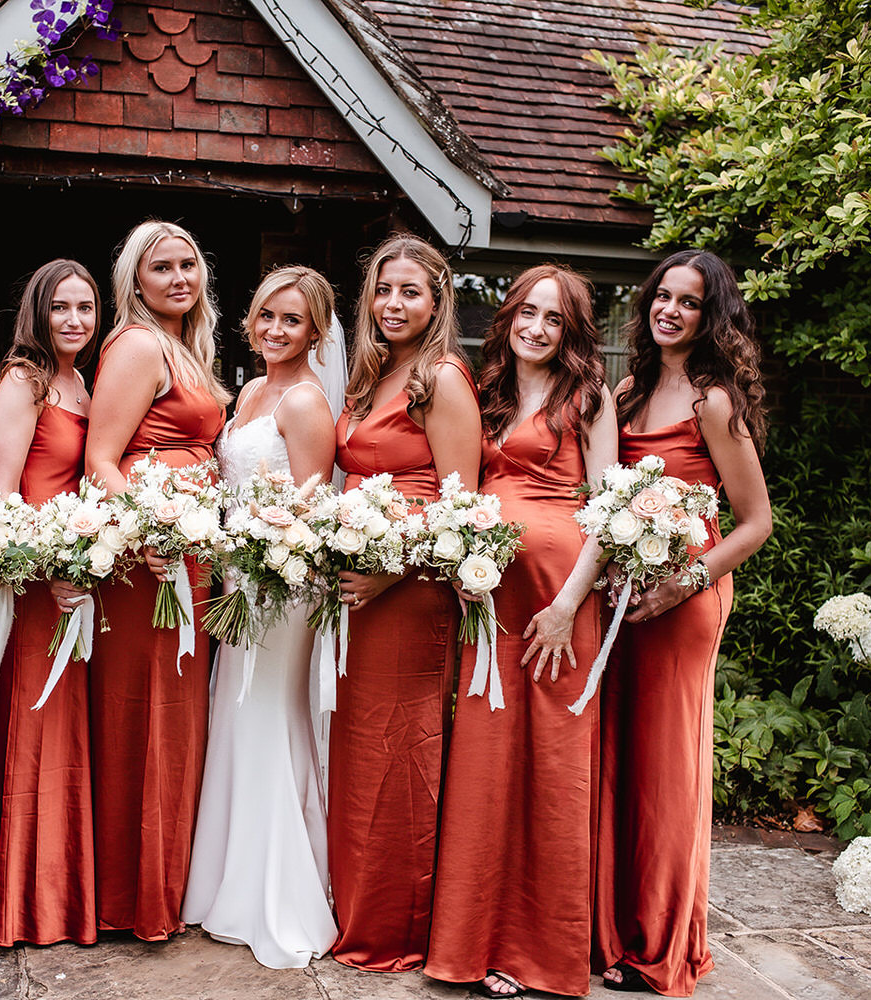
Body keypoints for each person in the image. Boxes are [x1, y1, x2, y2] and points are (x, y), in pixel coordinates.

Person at [425, 265, 617, 998]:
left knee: (552, 766)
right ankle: (473, 941)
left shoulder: (589, 398)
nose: (536, 328)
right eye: (526, 313)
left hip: (557, 604)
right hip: (492, 597)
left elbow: (606, 508)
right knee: (487, 757)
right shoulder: (490, 392)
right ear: (507, 318)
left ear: (572, 332)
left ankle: (539, 952)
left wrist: (570, 603)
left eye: (553, 319)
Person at [594, 250, 772, 996]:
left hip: (687, 593)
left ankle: (661, 947)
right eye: (661, 297)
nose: (669, 310)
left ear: (712, 316)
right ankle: (611, 925)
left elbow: (757, 521)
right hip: (625, 591)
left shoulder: (715, 401)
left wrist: (684, 584)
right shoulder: (628, 390)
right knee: (616, 756)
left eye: (689, 302)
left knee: (665, 767)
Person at [328, 233, 482, 972]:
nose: (393, 304)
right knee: (361, 752)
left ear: (437, 301)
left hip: (410, 593)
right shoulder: (373, 376)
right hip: (361, 592)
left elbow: (462, 506)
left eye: (410, 292)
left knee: (402, 752)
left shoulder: (443, 379)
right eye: (384, 290)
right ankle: (354, 905)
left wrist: (389, 573)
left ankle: (395, 925)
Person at [182, 265, 340, 968]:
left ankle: (278, 895)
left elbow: (310, 509)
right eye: (268, 315)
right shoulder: (249, 390)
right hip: (239, 576)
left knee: (270, 714)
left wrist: (262, 560)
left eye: (293, 321)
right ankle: (229, 882)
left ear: (315, 332)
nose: (277, 330)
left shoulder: (306, 403)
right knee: (235, 715)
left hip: (284, 583)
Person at [83, 221, 229, 940]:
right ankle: (128, 894)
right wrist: (147, 534)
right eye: (162, 268)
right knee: (145, 716)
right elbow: (102, 458)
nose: (179, 278)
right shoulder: (139, 345)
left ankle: (161, 885)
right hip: (153, 563)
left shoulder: (186, 348)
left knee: (177, 716)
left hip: (191, 557)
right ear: (135, 283)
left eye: (189, 264)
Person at [0, 259, 99, 947]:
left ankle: (63, 901)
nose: (75, 320)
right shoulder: (22, 381)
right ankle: (24, 907)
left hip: (80, 579)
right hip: (36, 587)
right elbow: (3, 496)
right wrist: (46, 571)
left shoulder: (81, 382)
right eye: (62, 308)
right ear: (37, 312)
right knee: (36, 730)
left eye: (85, 307)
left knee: (68, 736)